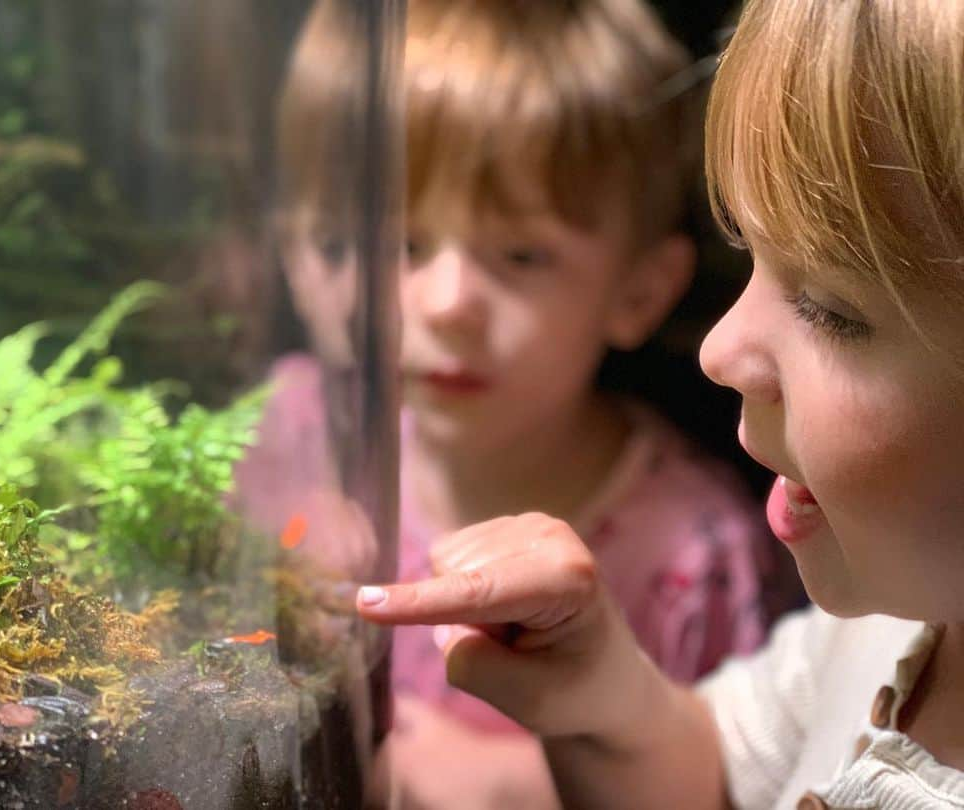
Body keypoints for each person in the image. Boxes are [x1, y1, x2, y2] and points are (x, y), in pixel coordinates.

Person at [358, 0, 964, 807]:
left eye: (831, 308)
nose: (718, 349)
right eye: (752, 254)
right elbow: (712, 775)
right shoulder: (870, 631)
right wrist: (603, 694)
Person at [242, 0, 773, 806]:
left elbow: (743, 776)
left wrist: (518, 786)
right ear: (302, 259)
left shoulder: (696, 558)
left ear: (639, 289)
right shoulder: (278, 431)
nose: (450, 302)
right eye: (399, 243)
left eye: (522, 253)